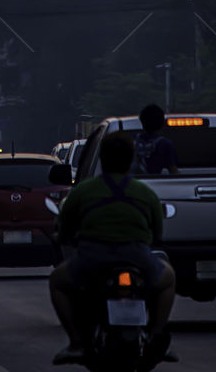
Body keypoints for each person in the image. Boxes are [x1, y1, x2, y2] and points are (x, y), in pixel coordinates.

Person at [49, 132, 176, 367]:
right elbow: (157, 234)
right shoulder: (145, 192)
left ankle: (76, 343)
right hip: (138, 257)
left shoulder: (82, 191)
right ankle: (156, 335)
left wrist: (62, 236)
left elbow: (65, 230)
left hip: (93, 258)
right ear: (131, 159)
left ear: (102, 159)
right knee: (168, 278)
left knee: (57, 281)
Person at [133, 104, 179, 176]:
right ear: (162, 123)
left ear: (141, 121)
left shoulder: (130, 141)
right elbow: (173, 171)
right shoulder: (165, 144)